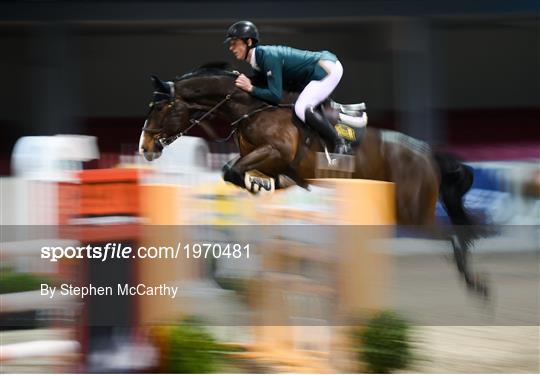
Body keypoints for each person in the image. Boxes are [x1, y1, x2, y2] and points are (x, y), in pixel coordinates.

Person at [224, 20, 348, 154]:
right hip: (315, 69)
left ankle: (338, 141)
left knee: (301, 107)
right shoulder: (257, 60)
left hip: (326, 69)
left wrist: (250, 88)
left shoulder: (267, 57)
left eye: (234, 42)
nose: (231, 48)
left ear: (248, 42)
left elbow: (275, 96)